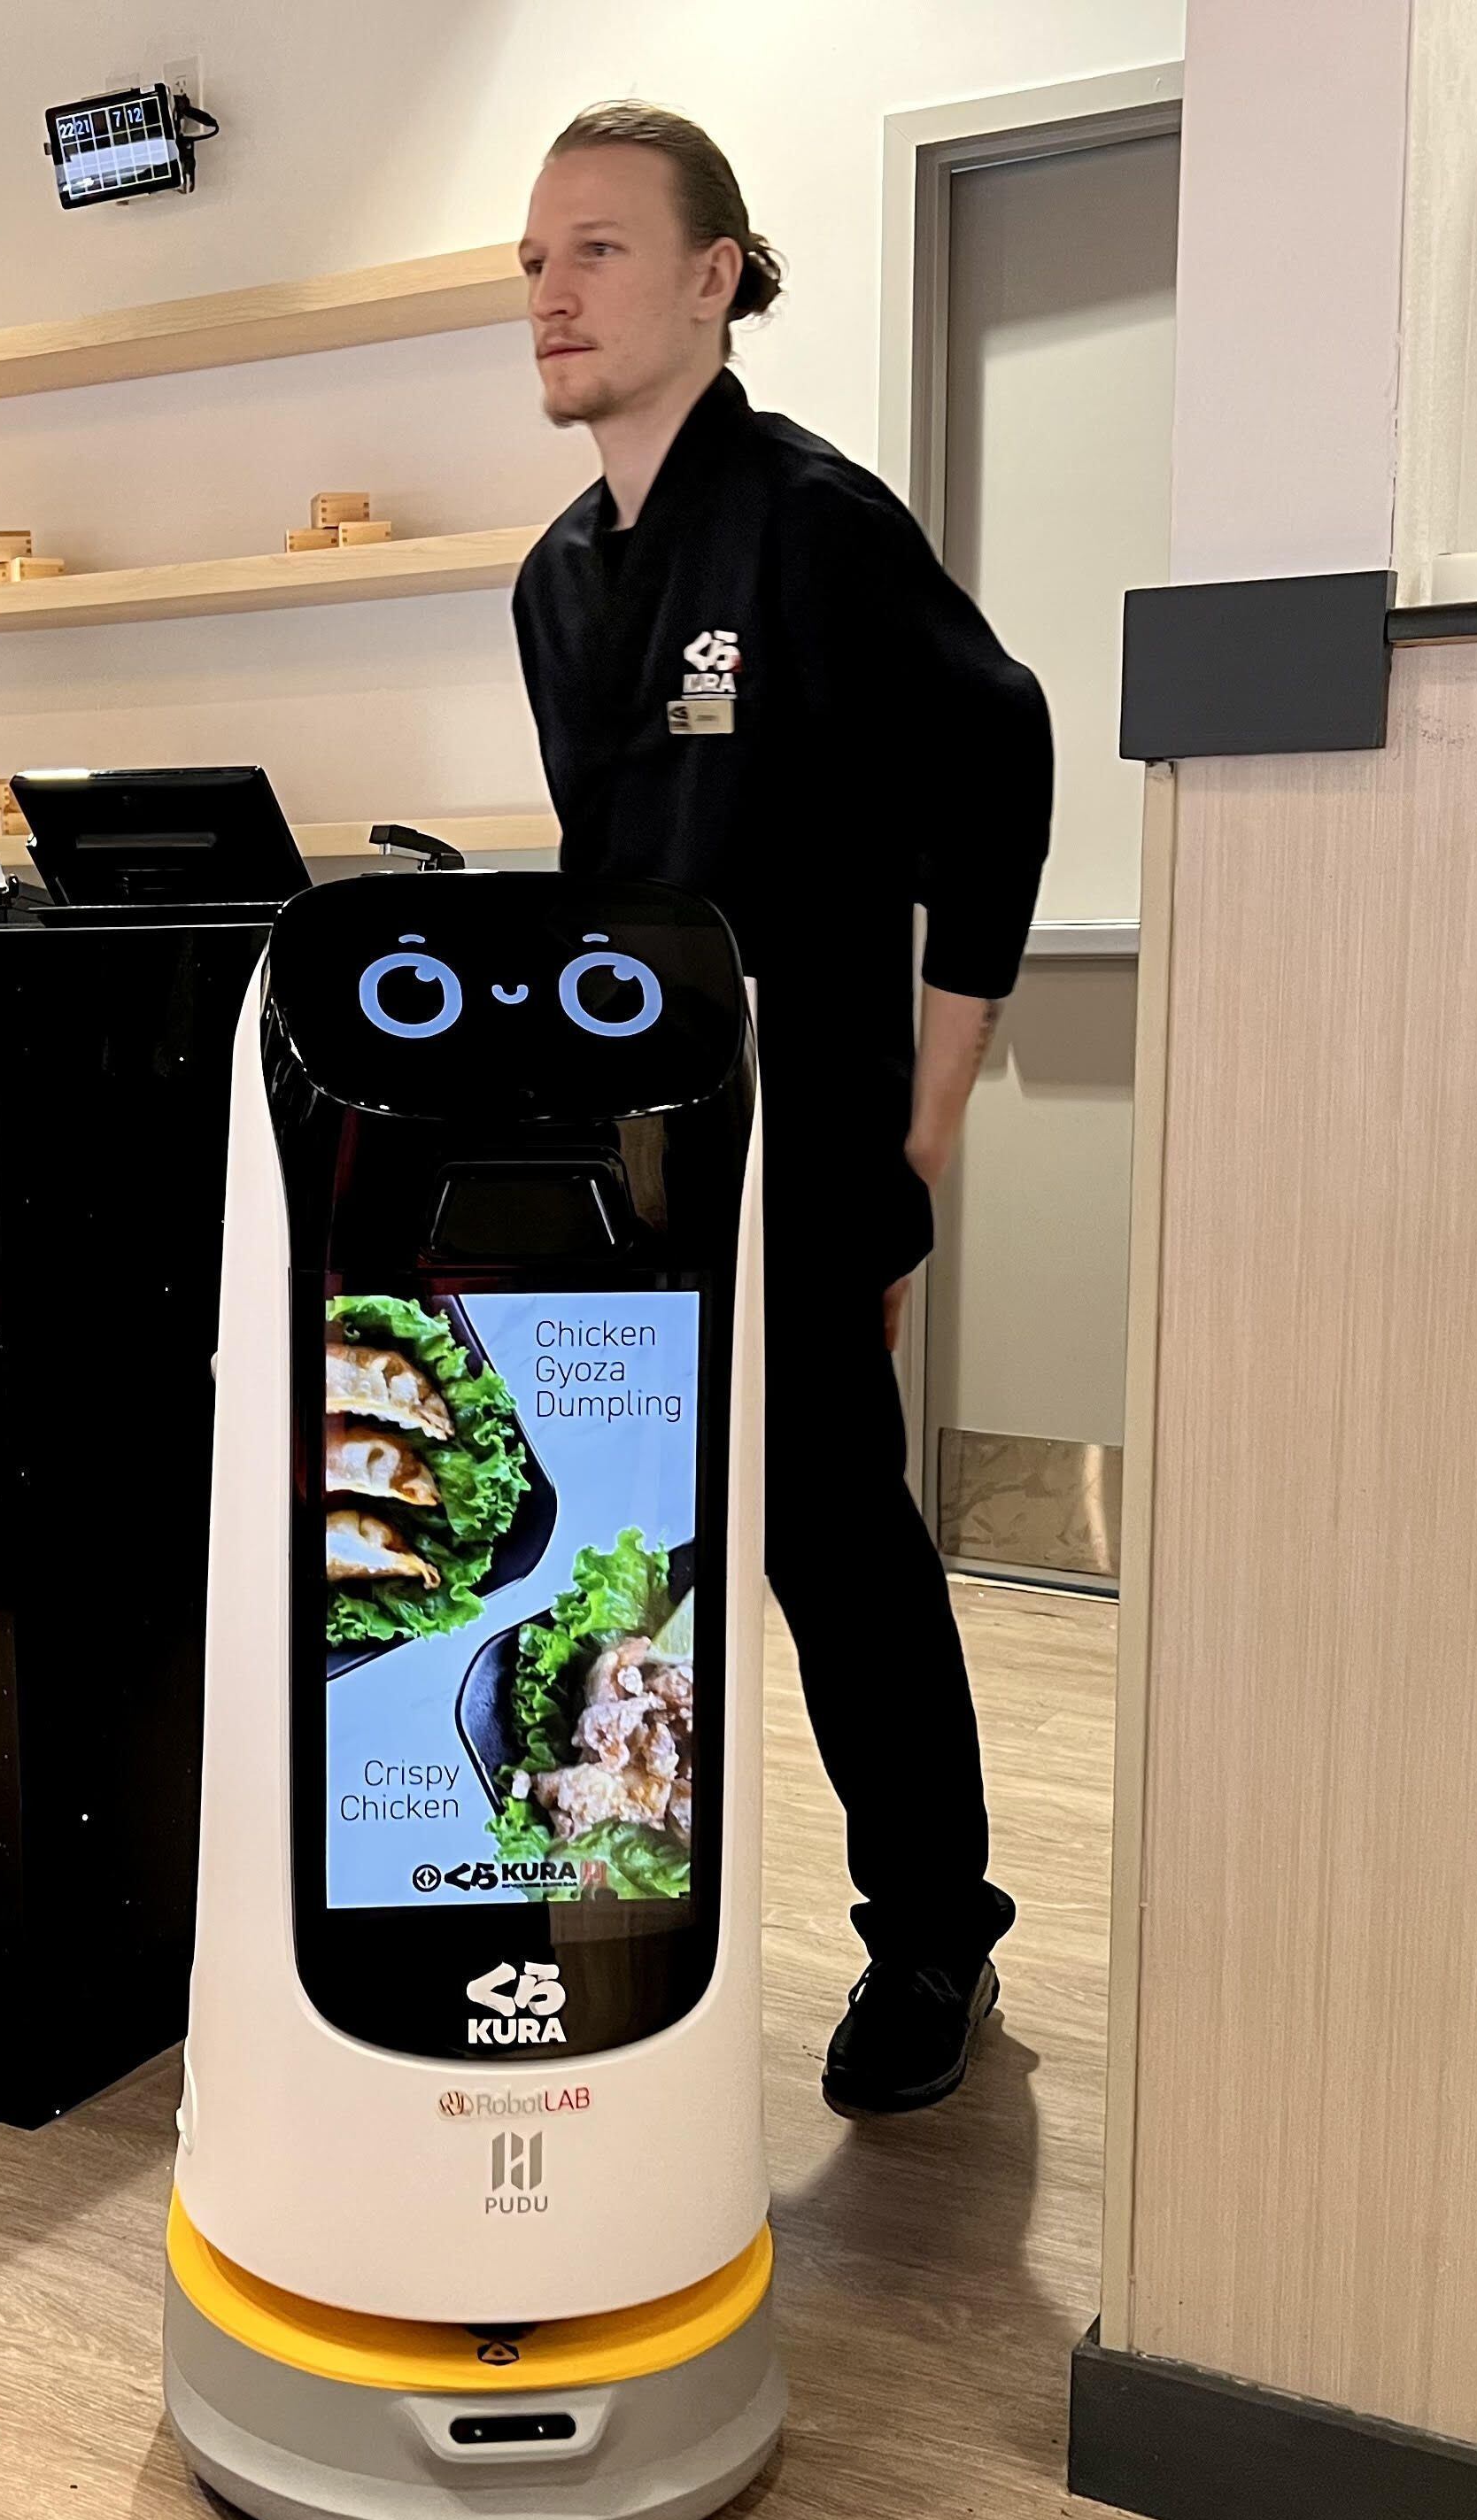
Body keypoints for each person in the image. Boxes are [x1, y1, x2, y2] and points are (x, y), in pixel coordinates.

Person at [509, 101, 1054, 2119]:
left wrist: (923, 1131)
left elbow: (998, 764)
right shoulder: (558, 585)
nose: (553, 294)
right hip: (634, 1165)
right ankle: (607, 1914)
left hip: (812, 1160)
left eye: (600, 252)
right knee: (617, 1561)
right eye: (534, 262)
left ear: (716, 278)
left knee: (841, 1557)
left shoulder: (815, 525)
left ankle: (934, 1935)